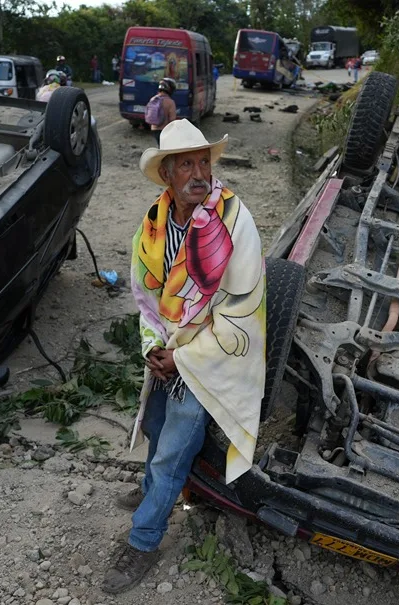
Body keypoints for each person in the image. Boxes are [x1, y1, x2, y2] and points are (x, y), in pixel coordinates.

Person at [101, 119, 266, 594]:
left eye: (205, 162)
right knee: (154, 425)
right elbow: (145, 295)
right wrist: (154, 345)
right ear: (168, 174)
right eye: (187, 164)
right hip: (167, 352)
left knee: (174, 447)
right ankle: (156, 489)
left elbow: (241, 309)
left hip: (214, 359)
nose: (200, 173)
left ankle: (144, 539)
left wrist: (185, 358)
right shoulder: (153, 224)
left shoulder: (235, 222)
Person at [145, 78, 177, 146]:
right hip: (165, 130)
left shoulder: (153, 99)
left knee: (160, 146)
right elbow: (172, 119)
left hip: (154, 129)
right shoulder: (170, 102)